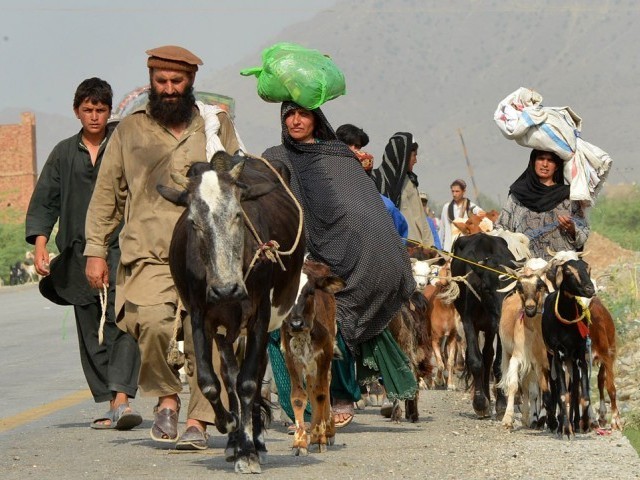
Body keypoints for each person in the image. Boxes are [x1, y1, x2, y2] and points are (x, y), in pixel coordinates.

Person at [84, 46, 244, 450]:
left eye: (177, 82)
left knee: (208, 336)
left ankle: (198, 419)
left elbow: (235, 181)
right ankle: (167, 398)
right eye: (162, 82)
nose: (169, 89)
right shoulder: (129, 130)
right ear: (151, 82)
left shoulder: (213, 124)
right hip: (148, 250)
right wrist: (95, 250)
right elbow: (107, 193)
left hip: (207, 253)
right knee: (151, 325)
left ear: (190, 82)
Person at [262, 102, 417, 428]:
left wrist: (362, 170)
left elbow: (359, 201)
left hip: (340, 252)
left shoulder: (337, 154)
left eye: (302, 113)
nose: (295, 120)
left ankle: (343, 396)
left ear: (316, 119)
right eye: (289, 114)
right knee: (281, 333)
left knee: (338, 322)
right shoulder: (275, 155)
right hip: (295, 252)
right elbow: (271, 201)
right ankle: (299, 410)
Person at [25, 78, 142, 430]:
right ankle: (111, 403)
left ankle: (122, 398)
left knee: (124, 321)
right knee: (91, 328)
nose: (94, 116)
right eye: (88, 109)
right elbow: (45, 200)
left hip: (123, 248)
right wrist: (42, 244)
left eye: (101, 110)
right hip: (77, 253)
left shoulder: (124, 146)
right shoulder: (63, 153)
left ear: (110, 112)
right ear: (77, 111)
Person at [495, 149, 589, 260]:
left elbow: (583, 233)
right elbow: (501, 229)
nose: (545, 164)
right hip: (526, 269)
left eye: (550, 160)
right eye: (541, 159)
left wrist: (572, 230)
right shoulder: (517, 196)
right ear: (533, 162)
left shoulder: (568, 197)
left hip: (559, 267)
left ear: (557, 166)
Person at [336, 123, 408, 240]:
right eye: (349, 144)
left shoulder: (383, 205)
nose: (355, 150)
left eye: (358, 146)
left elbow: (399, 233)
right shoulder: (322, 186)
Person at [372, 133, 435, 253]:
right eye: (413, 156)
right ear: (403, 156)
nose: (416, 160)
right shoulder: (377, 180)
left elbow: (421, 217)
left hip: (417, 250)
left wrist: (430, 246)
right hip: (391, 250)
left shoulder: (411, 181)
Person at [439, 178, 485, 252]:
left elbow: (479, 211)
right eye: (453, 191)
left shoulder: (470, 206)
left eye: (457, 191)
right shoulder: (446, 207)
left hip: (464, 248)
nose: (454, 194)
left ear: (464, 191)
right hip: (448, 247)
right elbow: (442, 229)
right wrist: (439, 247)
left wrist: (480, 213)